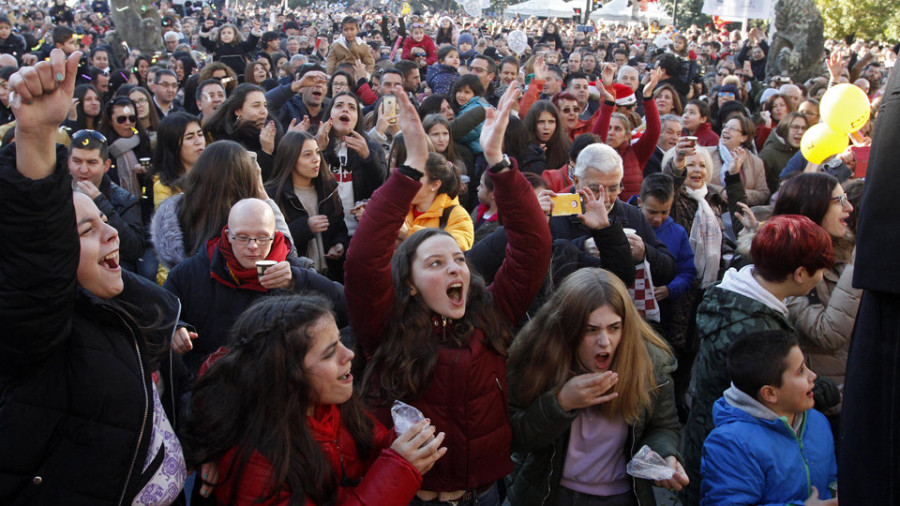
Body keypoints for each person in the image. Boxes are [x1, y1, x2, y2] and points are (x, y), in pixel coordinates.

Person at [344, 86, 551, 505]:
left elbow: (533, 245)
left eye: (457, 259)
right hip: (410, 495)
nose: (454, 267)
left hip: (481, 495)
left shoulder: (491, 314)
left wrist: (499, 163)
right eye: (435, 264)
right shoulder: (385, 325)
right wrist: (411, 169)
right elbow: (364, 261)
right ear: (410, 282)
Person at [0, 48, 186, 505]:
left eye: (102, 220)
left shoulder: (117, 310)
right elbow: (36, 261)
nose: (110, 234)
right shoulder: (36, 329)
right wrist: (39, 134)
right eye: (86, 229)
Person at [181, 294, 446, 505]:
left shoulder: (333, 403)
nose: (349, 354)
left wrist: (401, 445)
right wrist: (399, 469)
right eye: (329, 353)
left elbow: (366, 445)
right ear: (285, 373)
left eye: (341, 341)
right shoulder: (256, 459)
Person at [681, 215, 835, 504]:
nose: (822, 277)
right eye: (821, 271)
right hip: (738, 465)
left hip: (709, 441)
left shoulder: (737, 295)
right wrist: (833, 392)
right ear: (800, 274)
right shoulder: (755, 328)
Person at [506, 268, 688, 506]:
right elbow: (515, 437)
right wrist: (561, 403)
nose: (605, 341)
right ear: (567, 327)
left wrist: (664, 455)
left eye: (614, 328)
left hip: (620, 495)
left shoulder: (650, 363)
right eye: (591, 330)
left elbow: (663, 425)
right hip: (549, 492)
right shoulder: (539, 356)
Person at [163, 198, 347, 374]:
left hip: (278, 386)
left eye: (262, 237)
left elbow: (347, 307)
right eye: (243, 237)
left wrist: (297, 279)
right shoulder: (192, 271)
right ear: (228, 235)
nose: (253, 246)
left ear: (274, 236)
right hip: (210, 383)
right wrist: (175, 327)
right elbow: (161, 309)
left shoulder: (295, 270)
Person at [701, 330, 838, 506]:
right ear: (770, 393)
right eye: (801, 371)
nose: (813, 376)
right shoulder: (731, 444)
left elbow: (829, 480)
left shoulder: (817, 420)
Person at [150, 140, 292, 273]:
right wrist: (263, 195)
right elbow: (288, 251)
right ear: (245, 179)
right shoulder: (244, 220)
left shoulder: (180, 211)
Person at [267, 131, 349, 280]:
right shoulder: (273, 195)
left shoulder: (328, 189)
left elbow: (340, 227)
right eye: (307, 155)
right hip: (295, 277)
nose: (316, 159)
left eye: (317, 153)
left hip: (329, 275)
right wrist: (305, 228)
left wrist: (339, 244)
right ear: (290, 159)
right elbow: (269, 241)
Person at [68, 128, 145, 273]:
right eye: (77, 161)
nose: (83, 170)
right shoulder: (57, 193)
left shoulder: (125, 200)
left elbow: (134, 249)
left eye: (91, 163)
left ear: (106, 166)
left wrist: (101, 203)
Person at [317, 91, 386, 236]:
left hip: (361, 232)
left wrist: (367, 158)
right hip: (325, 234)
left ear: (358, 118)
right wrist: (319, 150)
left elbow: (382, 188)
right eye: (339, 106)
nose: (345, 109)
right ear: (329, 114)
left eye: (352, 107)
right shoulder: (313, 145)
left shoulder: (373, 149)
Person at [204, 83, 283, 181]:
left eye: (265, 105)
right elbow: (243, 179)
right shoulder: (223, 138)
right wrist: (265, 152)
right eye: (256, 106)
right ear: (238, 111)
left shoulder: (273, 132)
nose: (264, 111)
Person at [399, 151, 474, 251]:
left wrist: (407, 232)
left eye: (415, 177)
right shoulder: (400, 208)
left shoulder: (457, 215)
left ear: (434, 185)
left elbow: (456, 248)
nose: (408, 182)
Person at [707, 114, 769, 206]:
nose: (725, 131)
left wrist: (737, 194)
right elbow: (697, 183)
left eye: (732, 129)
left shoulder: (756, 162)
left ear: (744, 137)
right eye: (725, 126)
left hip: (741, 212)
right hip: (713, 209)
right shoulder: (707, 154)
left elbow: (763, 194)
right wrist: (721, 192)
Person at [759, 112, 808, 195]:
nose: (800, 132)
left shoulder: (806, 153)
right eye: (795, 127)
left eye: (804, 128)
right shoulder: (768, 154)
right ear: (785, 128)